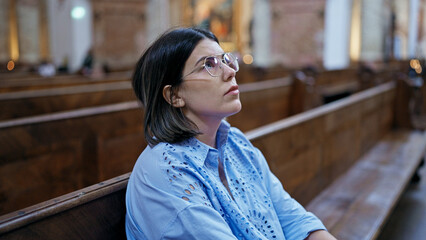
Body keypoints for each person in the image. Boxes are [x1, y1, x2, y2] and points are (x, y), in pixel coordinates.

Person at [126, 27, 336, 240]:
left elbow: (294, 220)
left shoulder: (236, 143)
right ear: (174, 95)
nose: (230, 71)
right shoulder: (165, 173)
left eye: (225, 60)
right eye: (208, 65)